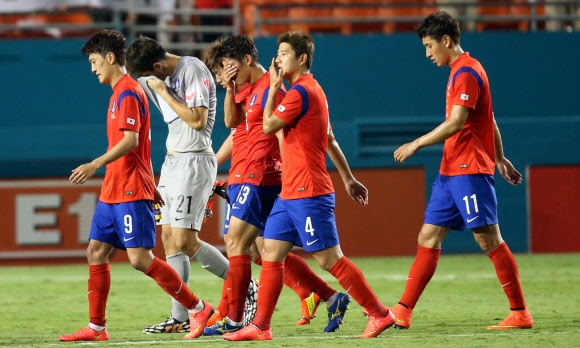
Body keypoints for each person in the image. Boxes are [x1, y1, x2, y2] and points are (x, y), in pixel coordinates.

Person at [222, 31, 396, 341]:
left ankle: (380, 314)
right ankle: (261, 327)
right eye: (277, 52)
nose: (278, 59)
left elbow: (268, 125)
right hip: (290, 191)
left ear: (301, 58)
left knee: (330, 259)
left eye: (285, 53)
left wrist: (274, 88)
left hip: (309, 191)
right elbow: (330, 140)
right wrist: (348, 178)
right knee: (271, 253)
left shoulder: (300, 92)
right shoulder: (308, 91)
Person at [59, 29, 213, 342]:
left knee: (140, 259)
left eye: (94, 61)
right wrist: (149, 180)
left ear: (111, 58)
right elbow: (143, 142)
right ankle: (97, 328)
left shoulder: (128, 92)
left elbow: (132, 140)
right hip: (114, 190)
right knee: (96, 251)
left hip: (128, 189)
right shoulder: (121, 93)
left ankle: (198, 308)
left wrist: (95, 164)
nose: (92, 68)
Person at [390, 11, 533, 330]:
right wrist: (500, 157)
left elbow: (457, 123)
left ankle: (520, 313)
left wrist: (416, 143)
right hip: (451, 171)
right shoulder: (459, 71)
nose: (427, 54)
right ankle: (402, 310)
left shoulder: (467, 71)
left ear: (446, 40)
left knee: (489, 240)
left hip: (469, 169)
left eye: (429, 46)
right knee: (428, 236)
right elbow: (490, 118)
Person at [204, 34, 347, 336]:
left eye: (225, 69)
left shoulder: (274, 91)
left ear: (244, 61)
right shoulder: (245, 90)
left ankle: (234, 318)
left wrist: (288, 174)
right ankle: (323, 294)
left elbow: (285, 134)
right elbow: (235, 127)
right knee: (262, 250)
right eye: (221, 72)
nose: (223, 77)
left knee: (241, 245)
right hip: (245, 174)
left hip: (264, 176)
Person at [126, 35, 229, 337]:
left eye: (149, 75)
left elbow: (198, 120)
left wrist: (163, 92)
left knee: (185, 240)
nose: (148, 82)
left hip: (194, 160)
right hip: (172, 162)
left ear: (157, 65)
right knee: (169, 238)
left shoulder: (192, 69)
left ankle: (246, 285)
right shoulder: (159, 75)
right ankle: (180, 315)